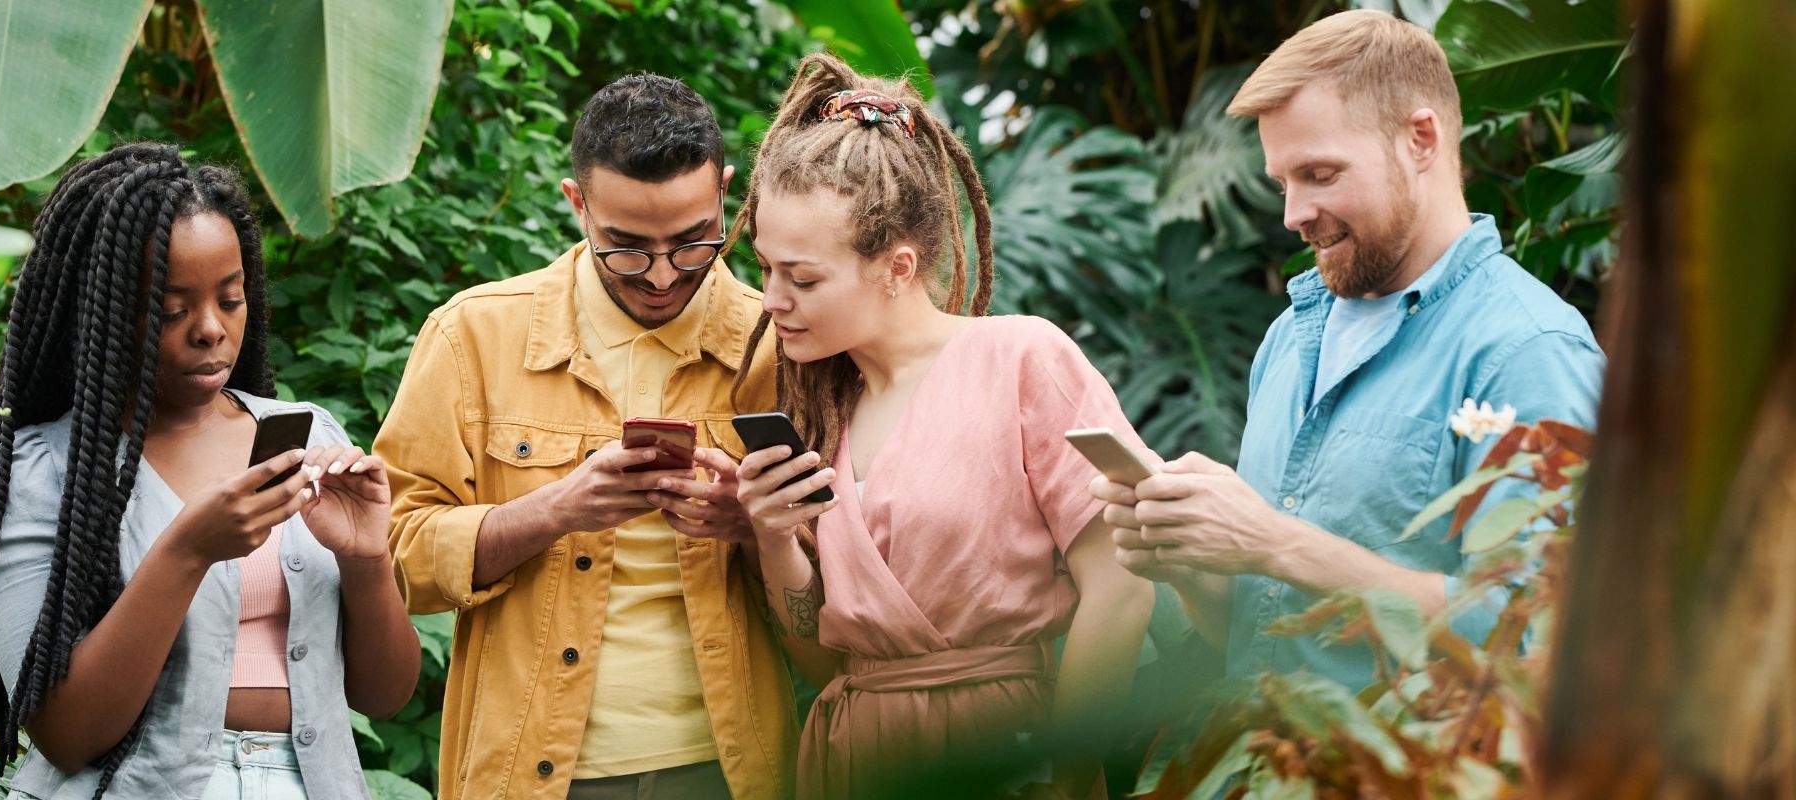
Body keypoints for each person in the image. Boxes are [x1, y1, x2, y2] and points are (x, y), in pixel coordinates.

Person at [1095, 10, 1605, 687]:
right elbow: (1259, 639)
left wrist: (1274, 544)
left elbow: (1544, 648)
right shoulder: (1287, 340)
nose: (1292, 213)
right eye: (1284, 182)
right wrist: (1194, 567)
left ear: (1420, 139)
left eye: (1320, 174)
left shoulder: (1527, 350)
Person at [724, 53, 1156, 800]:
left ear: (897, 267)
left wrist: (1067, 771)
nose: (771, 300)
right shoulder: (825, 408)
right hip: (854, 763)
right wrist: (771, 537)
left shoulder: (1023, 358)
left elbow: (1121, 585)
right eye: (764, 269)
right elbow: (833, 665)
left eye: (803, 277)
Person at [0, 143, 421, 798]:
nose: (209, 329)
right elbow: (65, 733)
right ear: (102, 312)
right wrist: (187, 550)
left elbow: (384, 696)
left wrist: (366, 559)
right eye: (173, 309)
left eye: (230, 301)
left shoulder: (305, 435)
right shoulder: (40, 473)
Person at [375, 74, 795, 799]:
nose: (663, 276)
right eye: (626, 248)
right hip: (531, 773)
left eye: (694, 243)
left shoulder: (779, 345)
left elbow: (842, 582)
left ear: (727, 195)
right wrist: (555, 509)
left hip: (732, 770)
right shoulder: (473, 336)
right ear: (577, 205)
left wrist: (756, 527)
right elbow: (391, 556)